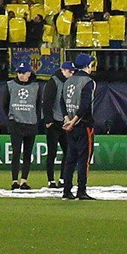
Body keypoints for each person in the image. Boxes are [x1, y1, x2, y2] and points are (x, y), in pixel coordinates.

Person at [58, 53, 98, 200]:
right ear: (87, 66)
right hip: (83, 125)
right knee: (84, 159)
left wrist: (67, 120)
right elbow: (85, 106)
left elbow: (62, 102)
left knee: (70, 159)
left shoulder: (68, 81)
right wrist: (74, 121)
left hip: (70, 126)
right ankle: (81, 190)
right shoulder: (88, 82)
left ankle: (67, 190)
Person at [2, 57, 42, 192]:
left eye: (23, 73)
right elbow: (5, 104)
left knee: (27, 153)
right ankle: (14, 180)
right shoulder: (10, 85)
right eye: (19, 72)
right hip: (16, 123)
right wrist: (11, 117)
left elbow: (38, 106)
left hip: (31, 123)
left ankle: (24, 180)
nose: (20, 75)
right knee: (16, 153)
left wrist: (36, 119)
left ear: (29, 73)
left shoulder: (36, 87)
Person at [43, 56, 72, 189]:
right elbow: (47, 101)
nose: (71, 74)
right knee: (52, 152)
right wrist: (48, 120)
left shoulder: (70, 83)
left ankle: (62, 178)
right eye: (69, 71)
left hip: (65, 122)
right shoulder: (53, 82)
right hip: (54, 122)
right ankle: (51, 180)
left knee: (68, 152)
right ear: (62, 70)